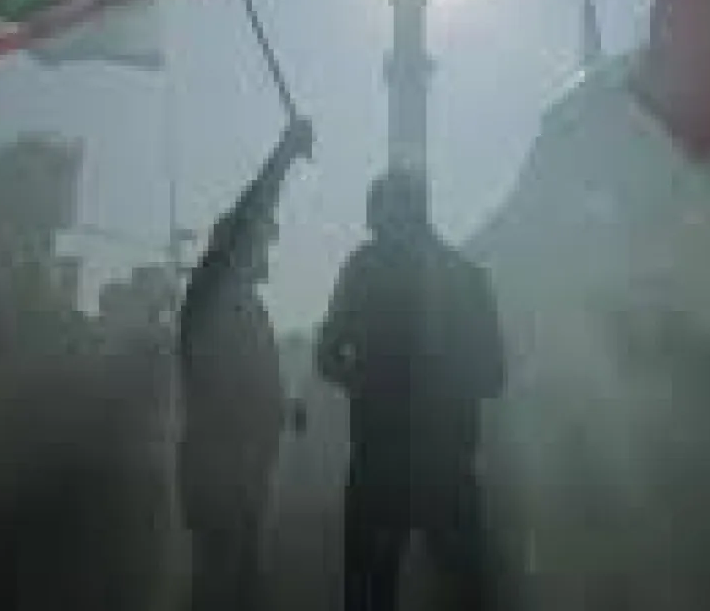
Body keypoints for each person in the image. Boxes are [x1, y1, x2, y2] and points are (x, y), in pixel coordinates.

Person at [316, 169, 506, 611]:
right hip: (445, 465)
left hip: (382, 464)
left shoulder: (364, 270)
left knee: (371, 595)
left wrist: (369, 382)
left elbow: (327, 356)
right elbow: (493, 375)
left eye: (376, 218)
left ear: (395, 213)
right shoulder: (467, 277)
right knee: (462, 593)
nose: (371, 229)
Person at [177, 116, 313, 611]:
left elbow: (250, 383)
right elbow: (255, 205)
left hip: (243, 472)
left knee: (237, 585)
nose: (269, 249)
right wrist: (284, 152)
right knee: (221, 585)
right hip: (219, 469)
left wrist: (283, 405)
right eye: (263, 240)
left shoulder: (245, 306)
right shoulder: (214, 289)